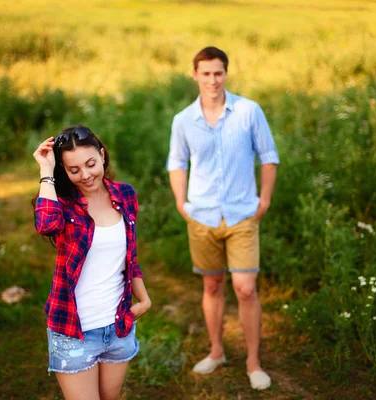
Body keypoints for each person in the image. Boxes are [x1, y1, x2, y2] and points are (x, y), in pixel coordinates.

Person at [167, 47, 279, 390]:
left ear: (225, 74)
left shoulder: (248, 111)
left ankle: (253, 361)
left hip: (242, 214)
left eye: (218, 73)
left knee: (245, 289)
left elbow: (269, 156)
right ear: (195, 75)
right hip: (201, 217)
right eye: (206, 73)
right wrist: (181, 203)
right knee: (212, 285)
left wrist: (264, 200)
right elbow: (177, 162)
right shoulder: (184, 119)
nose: (213, 80)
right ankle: (217, 351)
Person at [33, 125, 151, 400]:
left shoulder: (125, 195)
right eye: (74, 170)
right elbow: (46, 225)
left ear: (102, 155)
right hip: (75, 331)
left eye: (90, 164)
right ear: (64, 170)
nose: (85, 175)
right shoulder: (62, 204)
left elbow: (129, 257)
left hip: (118, 326)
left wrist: (144, 300)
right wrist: (46, 171)